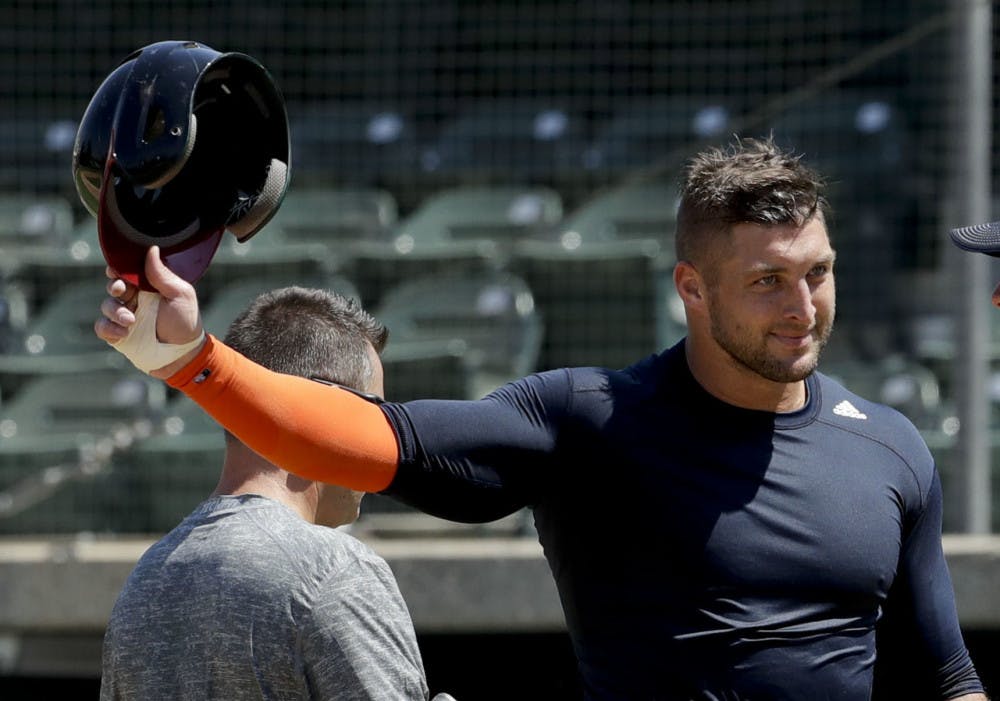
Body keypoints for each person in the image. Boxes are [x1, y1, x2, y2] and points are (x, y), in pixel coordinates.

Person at [96, 137, 987, 700]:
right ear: (692, 288)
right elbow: (363, 440)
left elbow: (944, 675)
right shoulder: (588, 420)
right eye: (767, 282)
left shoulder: (891, 447)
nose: (803, 305)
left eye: (818, 273)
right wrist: (192, 361)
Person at [100, 286, 436, 700]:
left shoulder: (146, 580)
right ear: (331, 405)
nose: (385, 437)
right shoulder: (333, 570)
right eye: (377, 413)